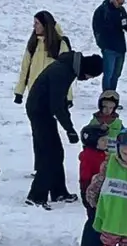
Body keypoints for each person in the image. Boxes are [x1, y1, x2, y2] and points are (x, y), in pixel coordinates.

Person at [26, 51, 104, 209]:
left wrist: (69, 126)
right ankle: (36, 196)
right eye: (89, 76)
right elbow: (56, 105)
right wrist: (69, 129)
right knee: (50, 154)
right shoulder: (63, 72)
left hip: (42, 110)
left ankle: (58, 191)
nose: (87, 79)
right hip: (39, 112)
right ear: (86, 69)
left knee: (56, 152)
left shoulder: (68, 67)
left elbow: (60, 101)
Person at [14, 12, 72, 105]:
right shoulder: (33, 43)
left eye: (37, 23)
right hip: (34, 93)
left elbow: (67, 72)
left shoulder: (60, 44)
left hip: (53, 93)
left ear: (45, 25)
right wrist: (19, 92)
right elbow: (25, 68)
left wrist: (68, 97)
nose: (34, 26)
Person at [92, 0, 127, 91]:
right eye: (119, 2)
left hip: (120, 47)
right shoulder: (102, 10)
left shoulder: (121, 10)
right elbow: (97, 28)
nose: (120, 5)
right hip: (109, 47)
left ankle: (112, 97)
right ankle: (106, 98)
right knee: (108, 74)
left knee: (116, 74)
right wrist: (102, 43)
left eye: (122, 3)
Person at [79, 124, 111, 246]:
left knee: (100, 216)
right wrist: (88, 191)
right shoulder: (88, 156)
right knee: (93, 218)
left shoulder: (102, 154)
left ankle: (98, 243)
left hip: (101, 190)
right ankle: (89, 245)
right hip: (90, 191)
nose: (107, 142)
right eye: (103, 140)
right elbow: (85, 176)